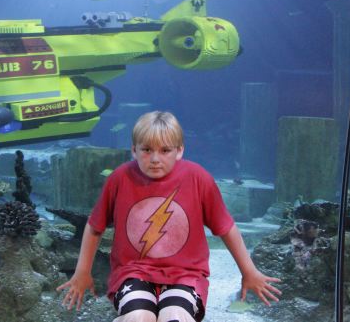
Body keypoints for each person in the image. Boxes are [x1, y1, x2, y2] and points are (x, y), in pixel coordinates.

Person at [57, 111, 281, 322]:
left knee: (175, 315)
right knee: (138, 317)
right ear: (134, 150)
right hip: (133, 273)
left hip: (186, 275)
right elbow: (95, 226)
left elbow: (226, 228)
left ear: (179, 150)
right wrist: (82, 272)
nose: (155, 158)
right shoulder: (119, 178)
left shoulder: (198, 178)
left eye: (165, 151)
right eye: (146, 150)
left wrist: (249, 272)